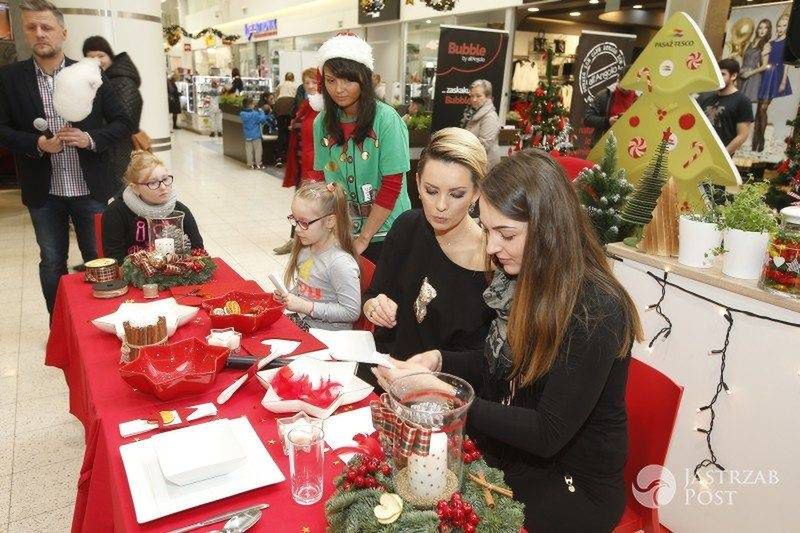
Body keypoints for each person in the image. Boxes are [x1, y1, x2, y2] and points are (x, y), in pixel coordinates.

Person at [375, 148, 644, 532]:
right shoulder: (521, 280)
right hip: (521, 457)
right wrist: (439, 361)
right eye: (486, 230)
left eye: (506, 234)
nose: (491, 247)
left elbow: (546, 433)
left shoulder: (595, 310)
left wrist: (450, 397)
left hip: (573, 485)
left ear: (550, 228)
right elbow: (495, 364)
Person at [0, 0, 132, 314]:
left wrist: (90, 138)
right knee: (52, 261)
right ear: (25, 32)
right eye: (31, 27)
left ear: (63, 32)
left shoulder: (88, 74)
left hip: (90, 188)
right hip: (43, 191)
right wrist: (37, 144)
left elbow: (123, 122)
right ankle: (61, 325)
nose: (39, 33)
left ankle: (101, 321)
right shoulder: (10, 78)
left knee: (100, 259)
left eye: (47, 27)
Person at [363, 127, 494, 362]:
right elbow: (373, 294)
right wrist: (373, 307)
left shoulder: (493, 258)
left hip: (448, 391)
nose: (440, 205)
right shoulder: (407, 228)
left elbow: (487, 362)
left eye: (456, 195)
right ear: (417, 182)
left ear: (476, 192)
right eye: (431, 191)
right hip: (385, 371)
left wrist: (438, 362)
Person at [313, 33, 412, 264]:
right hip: (343, 230)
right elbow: (322, 176)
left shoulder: (386, 120)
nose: (339, 89)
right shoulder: (323, 122)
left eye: (348, 80)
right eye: (331, 80)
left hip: (387, 232)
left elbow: (392, 184)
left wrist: (364, 238)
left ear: (364, 79)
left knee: (382, 297)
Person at [275, 181, 361, 331]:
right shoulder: (305, 250)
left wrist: (306, 307)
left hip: (330, 339)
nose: (297, 229)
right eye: (294, 220)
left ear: (329, 221)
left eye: (304, 222)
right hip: (306, 326)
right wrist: (288, 295)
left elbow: (351, 312)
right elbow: (306, 286)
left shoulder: (340, 264)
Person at [101, 151, 203, 263]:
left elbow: (197, 250)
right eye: (153, 183)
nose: (163, 187)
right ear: (135, 188)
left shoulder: (179, 210)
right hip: (134, 277)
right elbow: (115, 258)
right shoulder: (116, 212)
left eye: (165, 179)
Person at [82, 35, 143, 187]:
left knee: (123, 197)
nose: (97, 60)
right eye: (91, 57)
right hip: (107, 150)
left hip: (118, 153)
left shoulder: (121, 82)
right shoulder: (99, 82)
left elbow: (125, 122)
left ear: (110, 57)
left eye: (101, 55)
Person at [276, 67, 324, 255]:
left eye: (314, 82)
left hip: (315, 166)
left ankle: (304, 244)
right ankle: (295, 241)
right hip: (302, 162)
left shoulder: (322, 107)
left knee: (311, 207)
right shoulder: (307, 104)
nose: (310, 86)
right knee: (300, 205)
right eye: (307, 83)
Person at [752, 13, 793, 153]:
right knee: (759, 110)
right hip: (765, 75)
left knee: (763, 108)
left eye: (784, 25)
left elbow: (787, 64)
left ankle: (761, 139)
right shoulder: (771, 43)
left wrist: (783, 81)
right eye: (779, 25)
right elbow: (763, 61)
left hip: (776, 75)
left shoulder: (788, 43)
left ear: (788, 27)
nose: (781, 28)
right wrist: (763, 54)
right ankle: (755, 142)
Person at [696, 58, 753, 155]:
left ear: (733, 76)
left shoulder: (743, 101)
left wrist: (724, 154)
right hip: (695, 150)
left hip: (718, 157)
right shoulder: (705, 96)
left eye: (722, 74)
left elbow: (742, 135)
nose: (718, 77)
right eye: (716, 73)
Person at [584, 66, 638, 146]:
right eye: (624, 84)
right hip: (603, 145)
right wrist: (608, 121)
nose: (626, 88)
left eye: (630, 85)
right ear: (619, 79)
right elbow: (587, 119)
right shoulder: (604, 95)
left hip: (628, 146)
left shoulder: (639, 99)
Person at [460, 79, 500, 169]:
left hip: (484, 167)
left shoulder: (490, 117)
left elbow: (484, 146)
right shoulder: (471, 112)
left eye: (478, 96)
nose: (474, 99)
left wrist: (461, 152)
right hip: (472, 163)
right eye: (472, 96)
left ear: (488, 97)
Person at [738, 19, 772, 105]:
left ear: (768, 30)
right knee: (736, 102)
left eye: (765, 28)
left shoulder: (766, 45)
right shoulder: (748, 43)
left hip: (753, 76)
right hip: (742, 73)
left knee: (745, 104)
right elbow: (742, 60)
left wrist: (750, 73)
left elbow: (764, 66)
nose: (762, 30)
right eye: (760, 28)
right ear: (757, 29)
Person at [239, 97, 267, 170]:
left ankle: (250, 164)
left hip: (247, 136)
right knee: (258, 150)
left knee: (249, 151)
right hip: (256, 136)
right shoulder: (255, 114)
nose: (254, 105)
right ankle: (258, 164)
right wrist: (262, 112)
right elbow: (262, 120)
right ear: (250, 105)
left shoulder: (242, 114)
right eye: (253, 104)